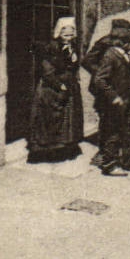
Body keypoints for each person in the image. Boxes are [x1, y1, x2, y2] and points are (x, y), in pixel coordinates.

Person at [83, 18, 130, 176]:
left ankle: (128, 161)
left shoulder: (120, 49)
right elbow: (88, 62)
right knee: (110, 129)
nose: (129, 42)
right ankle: (107, 160)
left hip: (122, 94)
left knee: (128, 127)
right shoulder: (107, 47)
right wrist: (104, 75)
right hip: (109, 94)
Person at [27, 16, 83, 163]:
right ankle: (49, 153)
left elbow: (73, 66)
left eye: (71, 35)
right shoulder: (51, 48)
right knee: (51, 120)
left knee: (67, 120)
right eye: (65, 35)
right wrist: (59, 85)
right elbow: (47, 71)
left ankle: (65, 149)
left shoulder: (73, 47)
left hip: (68, 87)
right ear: (59, 33)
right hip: (51, 89)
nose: (68, 38)